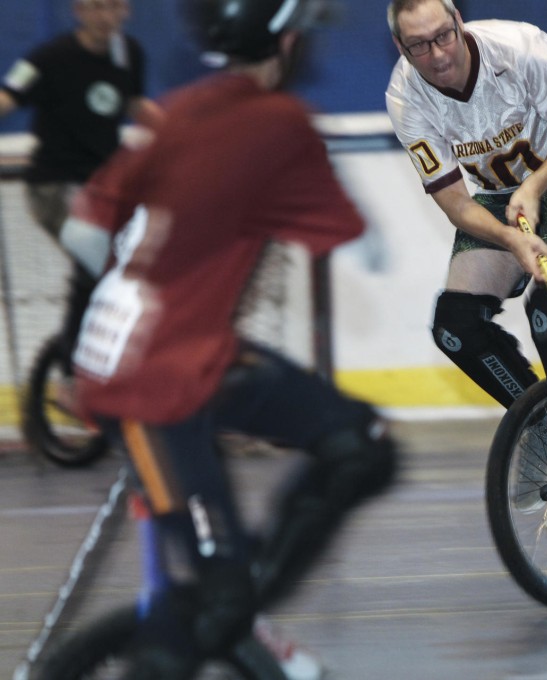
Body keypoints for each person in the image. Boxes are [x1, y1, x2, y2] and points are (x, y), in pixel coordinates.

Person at [60, 0, 398, 677]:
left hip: (179, 361)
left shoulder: (178, 110)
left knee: (355, 442)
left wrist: (131, 306)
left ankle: (234, 606)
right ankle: (224, 613)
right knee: (363, 449)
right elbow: (360, 243)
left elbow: (82, 232)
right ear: (287, 39)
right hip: (152, 392)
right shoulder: (281, 121)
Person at [385, 0, 547, 530]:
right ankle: (541, 422)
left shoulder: (521, 51)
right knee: (455, 327)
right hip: (499, 196)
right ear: (402, 48)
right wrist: (510, 239)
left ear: (459, 25)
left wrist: (535, 187)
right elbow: (453, 202)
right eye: (419, 45)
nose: (437, 53)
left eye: (443, 36)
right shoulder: (406, 95)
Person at [0, 0, 160, 368]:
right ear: (78, 11)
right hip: (55, 187)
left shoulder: (128, 53)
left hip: (103, 185)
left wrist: (183, 137)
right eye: (95, 8)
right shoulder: (48, 58)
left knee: (124, 264)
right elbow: (8, 96)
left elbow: (134, 104)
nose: (104, 17)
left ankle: (94, 356)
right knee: (103, 261)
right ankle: (75, 371)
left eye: (112, 7)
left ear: (127, 11)